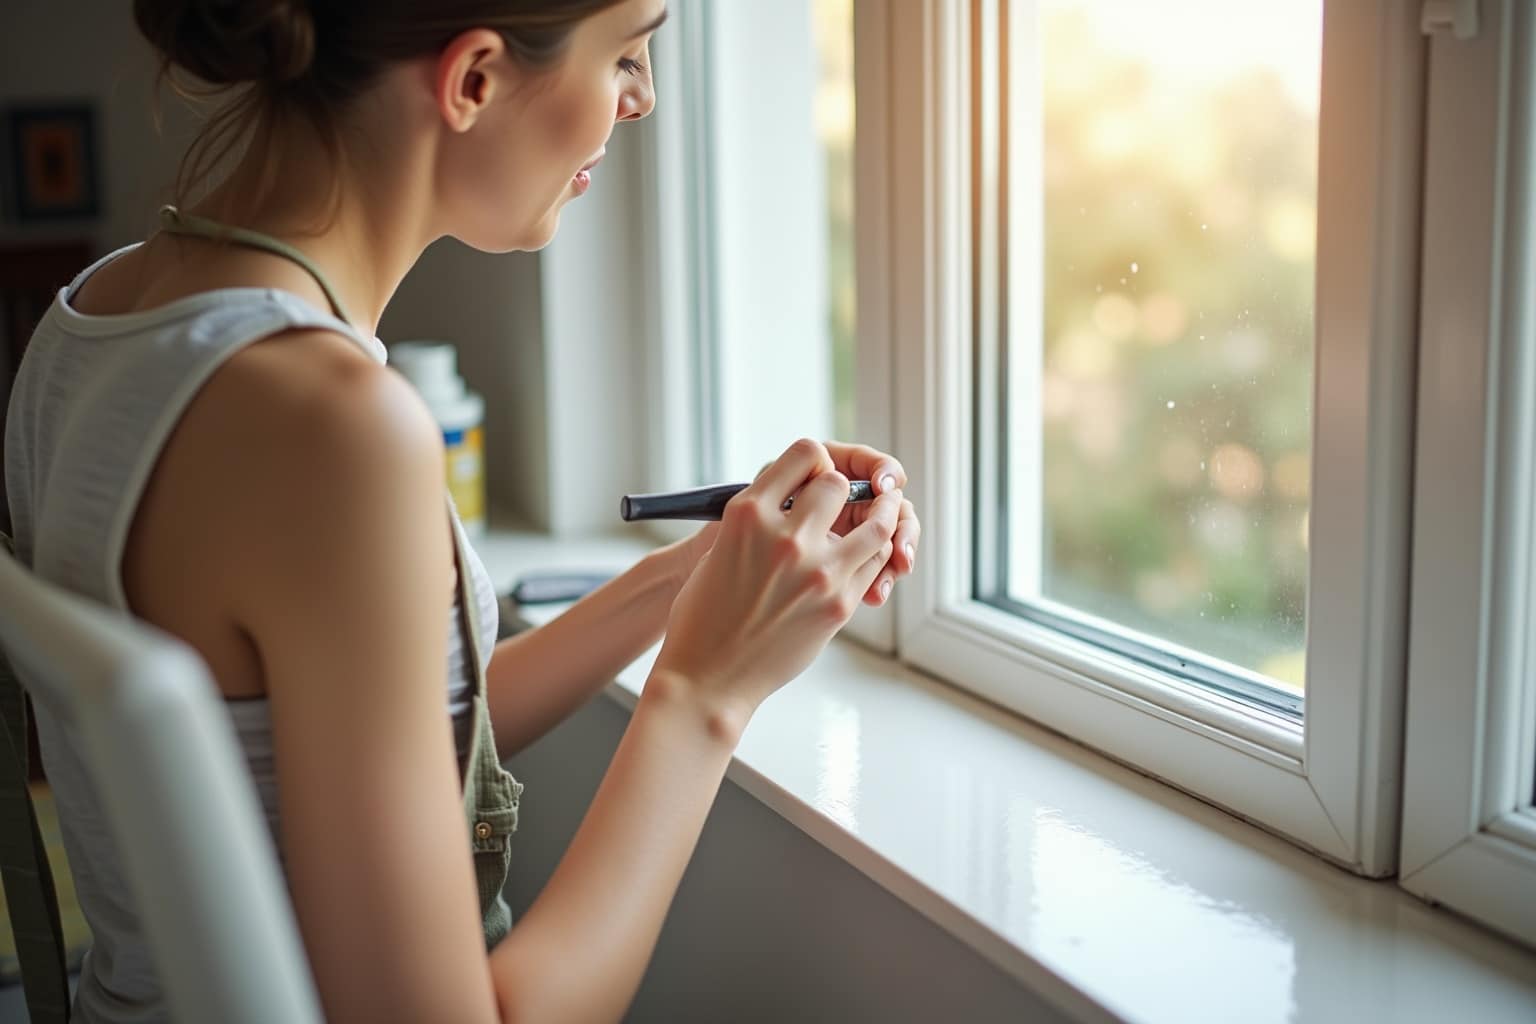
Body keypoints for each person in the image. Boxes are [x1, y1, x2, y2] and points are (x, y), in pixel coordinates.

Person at [2, 0, 922, 1020]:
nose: (644, 99)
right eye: (626, 53)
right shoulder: (334, 429)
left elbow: (360, 729)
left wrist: (688, 576)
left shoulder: (89, 320)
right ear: (473, 77)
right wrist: (706, 694)